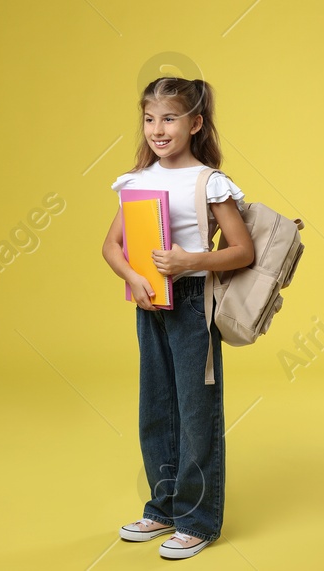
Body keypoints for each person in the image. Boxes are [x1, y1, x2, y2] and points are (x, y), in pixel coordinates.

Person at [102, 77, 254, 560]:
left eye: (169, 118)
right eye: (149, 119)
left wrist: (191, 262)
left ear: (195, 123)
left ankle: (198, 520)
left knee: (196, 412)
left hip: (193, 303)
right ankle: (163, 506)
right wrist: (134, 278)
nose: (157, 129)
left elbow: (242, 250)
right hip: (150, 302)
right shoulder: (136, 180)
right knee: (158, 408)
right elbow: (111, 246)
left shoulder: (209, 182)